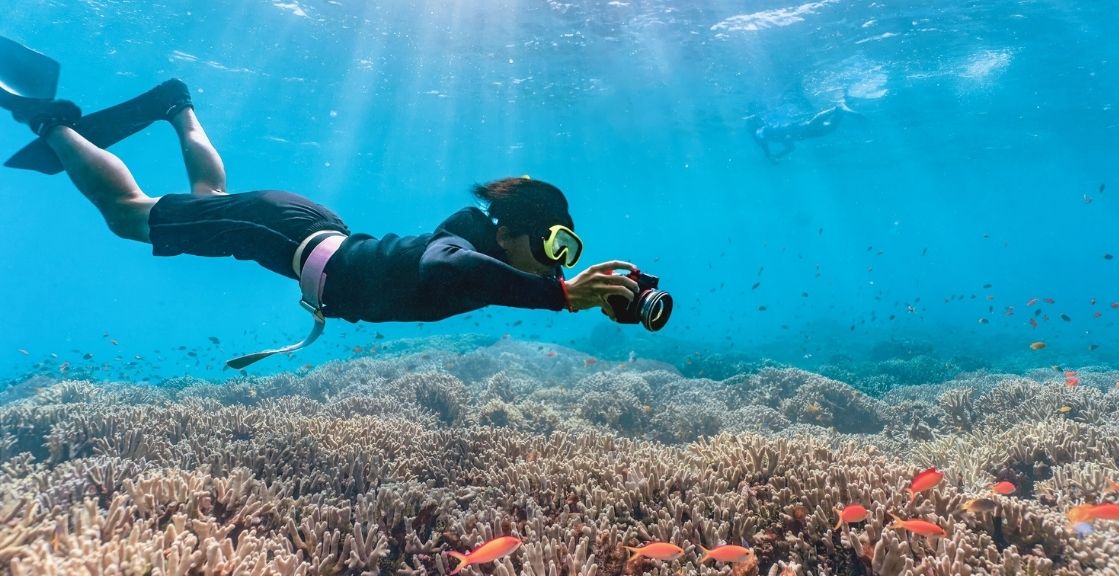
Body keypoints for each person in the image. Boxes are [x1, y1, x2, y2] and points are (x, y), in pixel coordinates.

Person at [2, 77, 641, 368]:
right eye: (556, 244)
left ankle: (177, 107)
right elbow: (440, 266)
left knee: (212, 197)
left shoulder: (489, 253)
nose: (561, 259)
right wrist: (559, 295)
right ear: (509, 232)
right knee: (126, 217)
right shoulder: (464, 244)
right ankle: (51, 122)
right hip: (282, 231)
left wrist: (581, 292)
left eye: (570, 250)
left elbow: (474, 277)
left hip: (299, 229)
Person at [746, 101, 860, 162]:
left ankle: (836, 109)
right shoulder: (777, 138)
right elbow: (791, 148)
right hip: (804, 135)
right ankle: (840, 111)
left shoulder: (765, 131)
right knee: (829, 129)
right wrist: (778, 156)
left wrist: (771, 155)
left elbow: (766, 136)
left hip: (800, 130)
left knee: (812, 124)